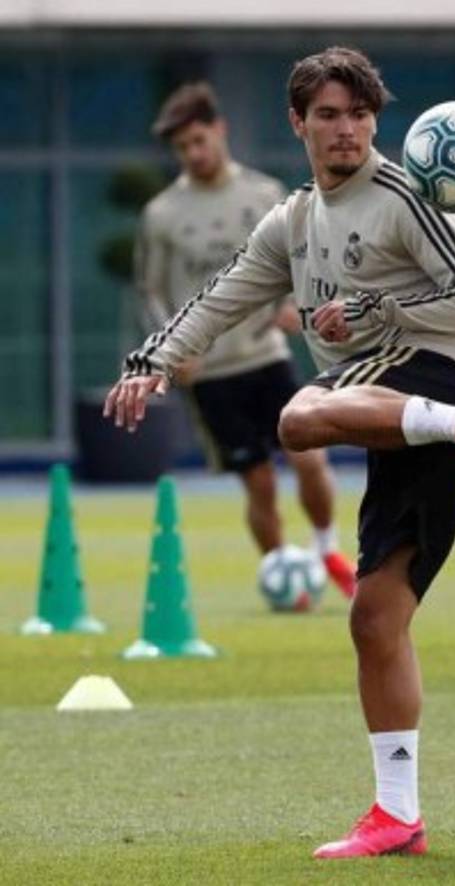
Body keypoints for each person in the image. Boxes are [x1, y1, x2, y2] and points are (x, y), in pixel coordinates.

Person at [105, 47, 455, 858]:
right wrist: (151, 362)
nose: (347, 130)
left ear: (376, 123)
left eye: (361, 115)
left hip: (447, 374)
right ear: (298, 123)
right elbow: (224, 296)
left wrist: (374, 307)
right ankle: (398, 818)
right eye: (330, 115)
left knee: (300, 416)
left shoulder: (407, 195)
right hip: (401, 413)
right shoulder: (294, 220)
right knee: (375, 619)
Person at [135, 81, 355, 598]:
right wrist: (168, 354)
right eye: (182, 148)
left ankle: (327, 548)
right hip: (211, 372)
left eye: (199, 140)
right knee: (258, 482)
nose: (194, 153)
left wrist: (295, 303)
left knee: (309, 455)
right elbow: (150, 291)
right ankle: (285, 579)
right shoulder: (161, 214)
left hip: (266, 356)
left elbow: (304, 261)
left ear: (220, 130)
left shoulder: (264, 195)